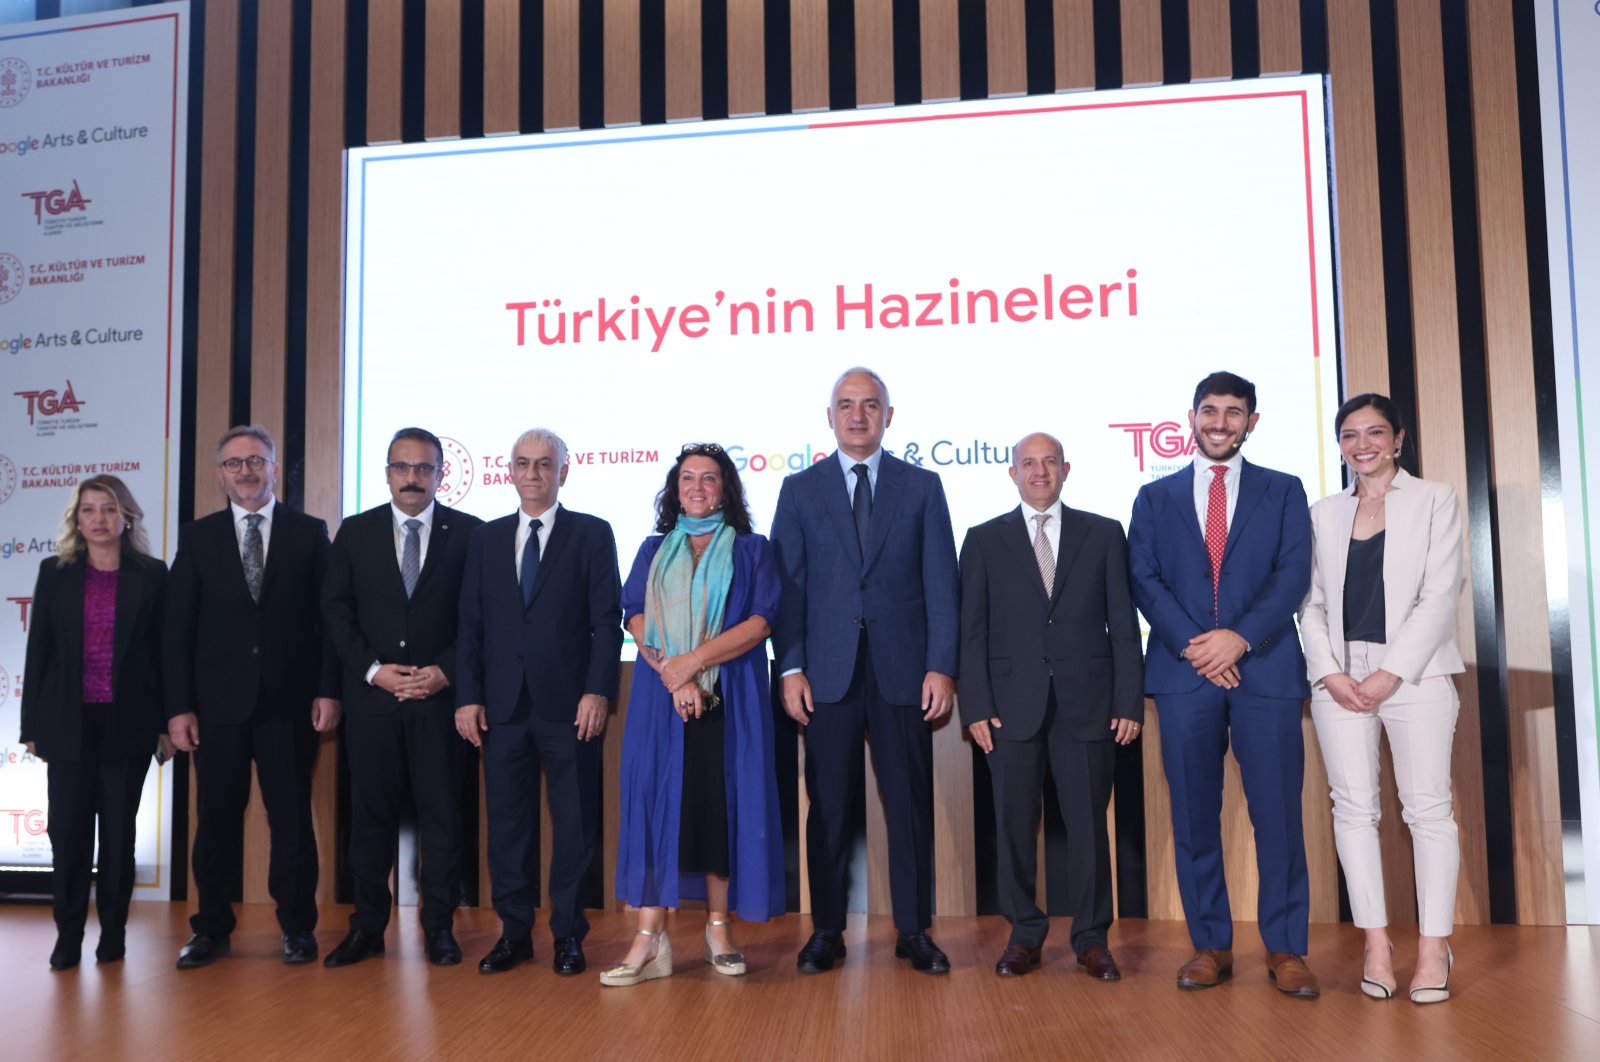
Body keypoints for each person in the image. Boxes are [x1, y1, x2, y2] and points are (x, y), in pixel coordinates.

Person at [1127, 371, 1318, 997]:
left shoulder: (1284, 491)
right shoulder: (1153, 500)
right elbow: (1145, 580)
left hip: (1265, 673)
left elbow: (1292, 575)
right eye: (1210, 411)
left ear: (1252, 423)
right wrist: (1197, 644)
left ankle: (1287, 949)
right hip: (1185, 676)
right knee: (1193, 818)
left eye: (1233, 413)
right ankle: (1210, 944)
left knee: (1279, 820)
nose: (1220, 423)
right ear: (1192, 417)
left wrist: (1239, 638)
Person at [771, 367, 960, 975]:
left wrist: (941, 666)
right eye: (846, 405)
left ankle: (914, 930)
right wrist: (791, 667)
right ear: (830, 417)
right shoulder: (800, 491)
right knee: (828, 806)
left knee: (907, 805)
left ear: (888, 416)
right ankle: (826, 930)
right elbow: (788, 590)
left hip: (904, 673)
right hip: (825, 673)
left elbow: (941, 584)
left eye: (870, 405)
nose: (858, 415)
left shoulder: (923, 487)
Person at [958, 433, 1143, 979]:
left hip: (1088, 704)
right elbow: (971, 632)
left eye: (1049, 462)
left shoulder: (1104, 534)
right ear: (1011, 474)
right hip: (1008, 709)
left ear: (1067, 470)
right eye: (1028, 463)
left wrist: (1128, 699)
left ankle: (1091, 938)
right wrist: (975, 706)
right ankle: (1023, 933)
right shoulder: (983, 540)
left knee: (1088, 827)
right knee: (1015, 826)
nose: (1039, 471)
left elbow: (1124, 629)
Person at [1299, 393, 1464, 1004]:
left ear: (1398, 438)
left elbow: (1440, 595)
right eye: (1349, 434)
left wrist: (1390, 673)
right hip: (1340, 675)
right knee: (1353, 809)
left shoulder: (1434, 499)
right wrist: (1331, 672)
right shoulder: (1321, 513)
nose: (1361, 444)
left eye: (1374, 432)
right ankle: (1376, 943)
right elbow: (1309, 603)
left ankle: (1432, 948)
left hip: (1415, 675)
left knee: (1426, 811)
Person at [602, 443, 785, 986]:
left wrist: (693, 665)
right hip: (664, 706)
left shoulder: (752, 550)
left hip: (730, 701)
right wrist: (671, 675)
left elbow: (761, 622)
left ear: (725, 488)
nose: (698, 487)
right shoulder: (653, 549)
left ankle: (718, 929)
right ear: (674, 489)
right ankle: (648, 939)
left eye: (710, 478)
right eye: (688, 479)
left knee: (718, 810)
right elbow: (634, 614)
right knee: (659, 806)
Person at [164, 425, 343, 968]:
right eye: (234, 463)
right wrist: (177, 707)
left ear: (273, 467)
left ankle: (296, 928)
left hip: (289, 706)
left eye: (256, 461)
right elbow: (177, 630)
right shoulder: (197, 538)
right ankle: (211, 929)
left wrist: (329, 691)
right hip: (216, 709)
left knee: (290, 821)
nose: (245, 471)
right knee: (215, 821)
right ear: (221, 474)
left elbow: (330, 622)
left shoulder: (310, 534)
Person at [455, 428, 622, 975]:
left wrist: (598, 690)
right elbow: (470, 626)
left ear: (563, 472)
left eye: (544, 464)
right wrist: (468, 697)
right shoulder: (485, 539)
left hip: (569, 707)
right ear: (509, 472)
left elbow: (605, 624)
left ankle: (570, 936)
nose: (533, 473)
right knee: (507, 827)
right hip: (502, 710)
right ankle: (514, 934)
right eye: (523, 463)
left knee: (573, 828)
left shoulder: (592, 534)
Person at [320, 427, 483, 967]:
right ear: (387, 472)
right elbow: (335, 611)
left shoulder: (471, 535)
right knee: (369, 821)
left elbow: (482, 619)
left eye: (423, 468)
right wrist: (372, 671)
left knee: (442, 818)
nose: (412, 478)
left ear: (440, 474)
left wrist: (446, 671)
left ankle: (438, 926)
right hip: (373, 702)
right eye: (402, 467)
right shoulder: (356, 531)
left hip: (441, 703)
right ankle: (367, 927)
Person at [20, 476, 168, 970]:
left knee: (119, 839)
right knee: (68, 835)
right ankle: (67, 937)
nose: (99, 519)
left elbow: (164, 655)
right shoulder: (55, 572)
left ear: (126, 517)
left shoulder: (152, 573)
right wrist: (31, 726)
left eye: (109, 509)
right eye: (89, 510)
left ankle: (114, 936)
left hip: (129, 726)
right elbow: (38, 650)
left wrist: (168, 721)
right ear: (76, 519)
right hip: (66, 726)